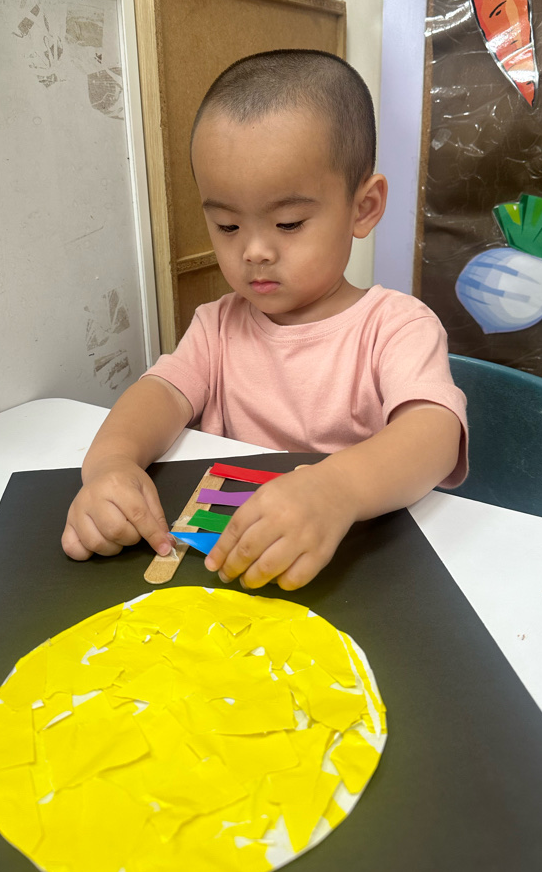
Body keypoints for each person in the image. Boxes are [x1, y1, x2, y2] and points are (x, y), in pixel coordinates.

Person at [62, 50, 467, 590]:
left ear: (364, 207)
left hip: (353, 569)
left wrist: (336, 489)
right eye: (228, 226)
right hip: (227, 564)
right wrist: (111, 464)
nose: (254, 250)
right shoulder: (217, 326)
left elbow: (435, 434)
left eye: (288, 222)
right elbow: (158, 395)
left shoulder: (396, 326)